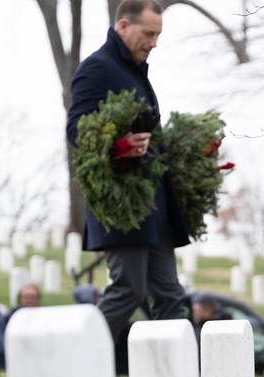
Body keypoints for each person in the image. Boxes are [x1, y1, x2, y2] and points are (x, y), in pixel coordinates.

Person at [66, 0, 189, 350]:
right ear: (123, 26)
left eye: (158, 35)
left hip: (156, 206)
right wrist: (120, 146)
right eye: (148, 33)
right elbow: (77, 130)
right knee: (128, 289)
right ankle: (72, 359)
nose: (154, 42)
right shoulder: (97, 69)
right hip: (124, 202)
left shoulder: (137, 71)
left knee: (169, 296)